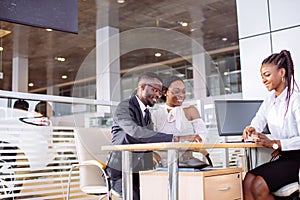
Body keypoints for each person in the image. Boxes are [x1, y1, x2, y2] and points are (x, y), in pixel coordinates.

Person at [105, 72, 201, 200]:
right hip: (122, 174)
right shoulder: (124, 107)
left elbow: (151, 139)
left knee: (167, 190)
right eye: (155, 90)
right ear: (143, 87)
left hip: (141, 171)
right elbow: (135, 132)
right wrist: (176, 138)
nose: (158, 95)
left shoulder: (147, 113)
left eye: (160, 92)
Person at [242, 50, 300, 200]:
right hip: (284, 157)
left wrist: (275, 143)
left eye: (267, 75)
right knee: (247, 180)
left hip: (297, 158)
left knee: (258, 185)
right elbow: (259, 120)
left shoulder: (296, 99)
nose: (263, 80)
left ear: (281, 72)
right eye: (262, 77)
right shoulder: (270, 99)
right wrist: (252, 129)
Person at [151, 76, 212, 168]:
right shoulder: (156, 115)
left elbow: (204, 137)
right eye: (176, 91)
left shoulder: (190, 110)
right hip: (164, 165)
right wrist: (184, 140)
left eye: (183, 91)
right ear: (165, 92)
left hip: (187, 163)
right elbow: (153, 141)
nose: (181, 95)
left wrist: (195, 143)